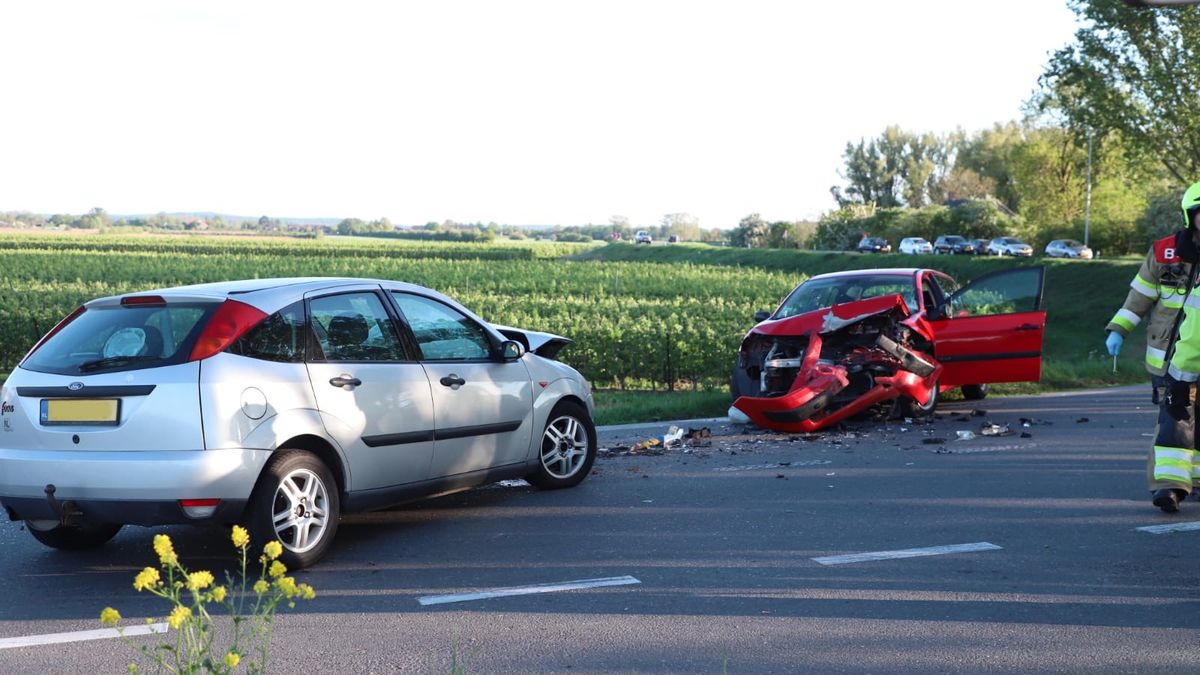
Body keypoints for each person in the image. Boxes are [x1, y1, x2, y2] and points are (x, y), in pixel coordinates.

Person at [1126, 182, 1200, 512]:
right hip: (1170, 359)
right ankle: (1169, 487)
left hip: (1191, 352)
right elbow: (1140, 295)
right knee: (1173, 419)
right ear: (1190, 216)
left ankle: (1194, 480)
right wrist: (1119, 328)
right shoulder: (1165, 252)